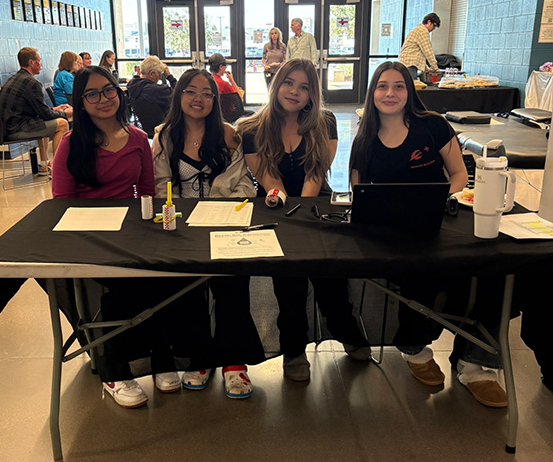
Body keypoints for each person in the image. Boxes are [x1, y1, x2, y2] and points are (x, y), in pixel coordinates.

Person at [348, 60, 508, 408]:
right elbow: (360, 193)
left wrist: (438, 202)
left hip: (439, 223)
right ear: (372, 92)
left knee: (492, 270)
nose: (390, 93)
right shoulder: (364, 138)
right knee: (419, 273)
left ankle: (473, 362)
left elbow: (458, 176)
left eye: (399, 86)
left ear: (410, 91)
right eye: (382, 86)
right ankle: (414, 347)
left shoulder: (433, 126)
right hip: (391, 235)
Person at [52, 65, 211, 408]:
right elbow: (61, 203)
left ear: (119, 92)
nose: (103, 99)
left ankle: (161, 360)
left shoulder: (139, 139)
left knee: (167, 274)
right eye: (91, 94)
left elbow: (148, 192)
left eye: (108, 90)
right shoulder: (70, 145)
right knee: (127, 283)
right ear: (81, 102)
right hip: (89, 236)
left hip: (132, 232)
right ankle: (115, 370)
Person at [237, 58, 370, 382]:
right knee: (289, 287)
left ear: (312, 94)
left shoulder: (325, 122)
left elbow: (314, 178)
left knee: (331, 280)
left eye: (304, 87)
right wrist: (288, 222)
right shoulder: (252, 128)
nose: (294, 91)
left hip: (317, 208)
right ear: (276, 84)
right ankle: (293, 349)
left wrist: (303, 223)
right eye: (288, 83)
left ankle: (346, 331)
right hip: (275, 207)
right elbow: (270, 182)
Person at [152, 68, 265, 398]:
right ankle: (200, 356)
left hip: (223, 223)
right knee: (186, 291)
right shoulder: (163, 137)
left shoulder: (230, 135)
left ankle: (233, 362)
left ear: (215, 100)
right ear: (179, 95)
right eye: (191, 91)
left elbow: (245, 184)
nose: (198, 99)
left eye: (206, 93)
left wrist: (219, 208)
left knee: (232, 285)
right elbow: (161, 187)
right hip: (182, 229)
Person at [0, 47, 71, 176]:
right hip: (15, 130)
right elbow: (45, 114)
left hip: (4, 128)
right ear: (31, 63)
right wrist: (65, 114)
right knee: (62, 123)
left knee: (44, 122)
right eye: (39, 61)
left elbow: (38, 110)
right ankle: (60, 169)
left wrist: (54, 109)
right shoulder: (32, 83)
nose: (41, 65)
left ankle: (44, 164)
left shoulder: (13, 78)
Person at [398, 12, 440, 79]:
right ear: (429, 22)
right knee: (411, 87)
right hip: (410, 65)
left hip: (406, 63)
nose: (433, 29)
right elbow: (428, 51)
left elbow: (420, 52)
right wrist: (435, 68)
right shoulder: (423, 31)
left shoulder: (418, 29)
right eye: (434, 26)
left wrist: (426, 68)